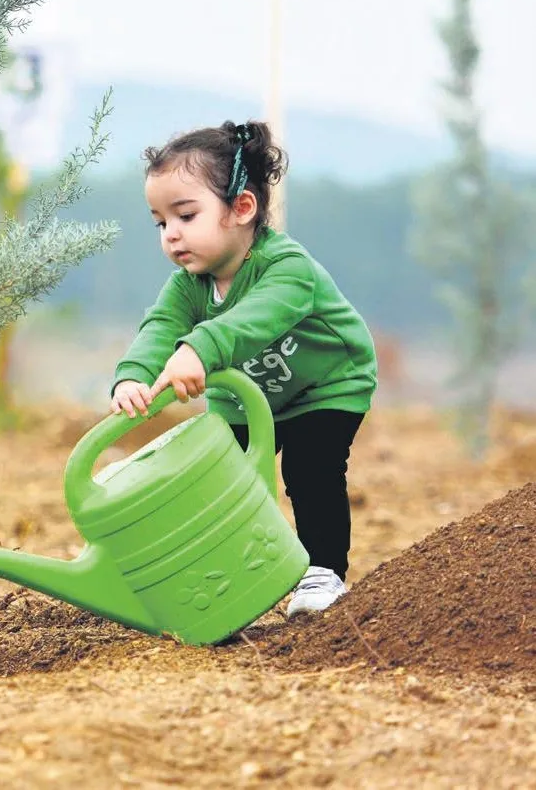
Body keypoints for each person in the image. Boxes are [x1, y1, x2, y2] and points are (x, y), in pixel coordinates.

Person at [109, 120, 377, 617]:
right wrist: (134, 374)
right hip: (246, 396)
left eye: (185, 215)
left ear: (242, 208)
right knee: (220, 479)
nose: (171, 235)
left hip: (325, 386)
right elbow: (160, 326)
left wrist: (198, 349)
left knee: (309, 467)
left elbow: (255, 321)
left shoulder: (287, 268)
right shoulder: (189, 285)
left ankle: (323, 573)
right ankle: (222, 581)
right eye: (160, 222)